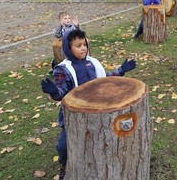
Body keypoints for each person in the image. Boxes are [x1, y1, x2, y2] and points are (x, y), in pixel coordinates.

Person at [41, 29, 137, 180]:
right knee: (63, 146)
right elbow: (62, 92)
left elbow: (104, 78)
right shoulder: (63, 69)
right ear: (68, 48)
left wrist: (120, 70)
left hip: (98, 110)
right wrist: (54, 92)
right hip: (75, 115)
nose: (83, 48)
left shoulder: (92, 63)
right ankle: (65, 165)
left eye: (84, 44)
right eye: (78, 45)